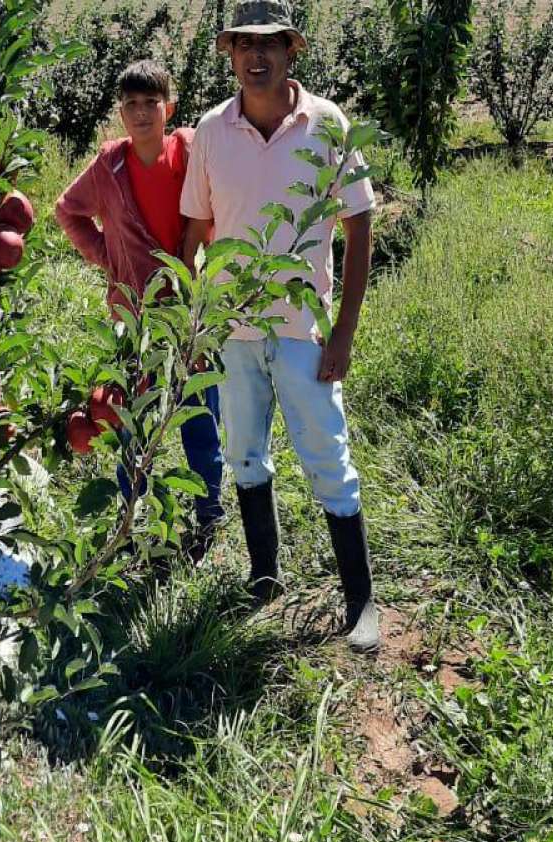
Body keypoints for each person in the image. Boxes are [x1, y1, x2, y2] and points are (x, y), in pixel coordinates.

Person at [180, 0, 380, 651]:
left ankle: (360, 604)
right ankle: (264, 578)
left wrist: (344, 331)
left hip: (303, 329)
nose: (255, 57)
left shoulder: (326, 125)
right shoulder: (211, 130)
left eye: (269, 45)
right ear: (231, 54)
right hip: (232, 330)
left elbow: (358, 225)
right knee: (244, 454)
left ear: (292, 52)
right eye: (243, 46)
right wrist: (189, 318)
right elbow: (196, 228)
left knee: (327, 458)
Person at [55, 60, 225, 562]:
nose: (141, 112)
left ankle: (208, 514)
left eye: (151, 102)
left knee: (199, 414)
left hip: (190, 311)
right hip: (135, 318)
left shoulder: (191, 150)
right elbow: (68, 211)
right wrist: (107, 256)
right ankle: (131, 520)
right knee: (131, 419)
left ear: (168, 107)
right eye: (130, 104)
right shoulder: (109, 166)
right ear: (120, 114)